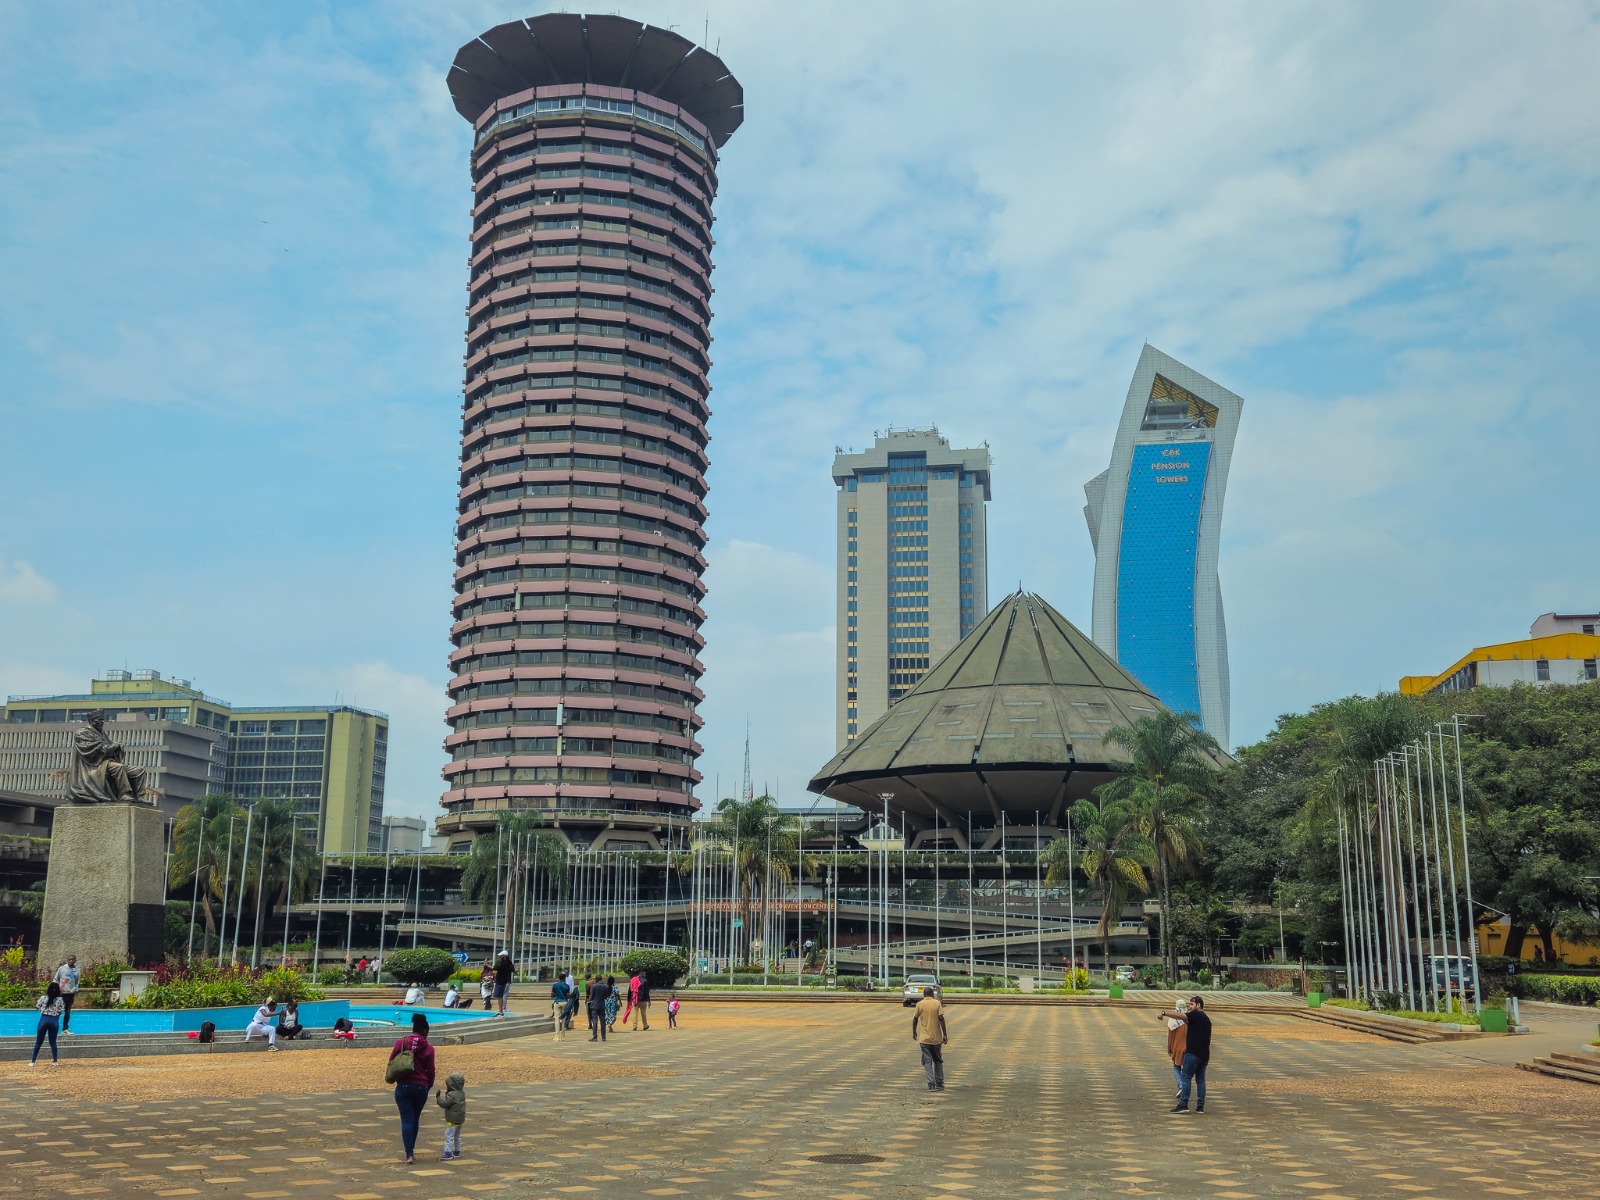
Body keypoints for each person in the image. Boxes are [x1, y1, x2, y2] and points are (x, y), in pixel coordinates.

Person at [389, 1013, 435, 1164]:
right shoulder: (428, 1048)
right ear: (425, 1032)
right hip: (421, 1087)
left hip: (404, 1086)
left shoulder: (401, 1043)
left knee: (406, 1120)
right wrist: (429, 1085)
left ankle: (409, 1154)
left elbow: (391, 1062)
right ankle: (411, 1151)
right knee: (415, 1119)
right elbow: (431, 1070)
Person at [1171, 995, 1212, 1114]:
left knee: (1186, 1078)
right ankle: (1200, 1107)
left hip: (1193, 1053)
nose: (1189, 1007)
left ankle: (1183, 1104)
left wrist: (1164, 1013)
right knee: (1200, 1080)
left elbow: (1182, 1016)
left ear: (1198, 1005)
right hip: (1204, 1055)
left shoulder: (1196, 1014)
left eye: (1192, 1004)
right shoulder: (1206, 1019)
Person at [912, 985, 947, 1091]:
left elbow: (915, 1019)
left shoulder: (919, 1004)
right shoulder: (937, 1003)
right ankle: (939, 1083)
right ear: (932, 994)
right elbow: (941, 1018)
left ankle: (931, 1084)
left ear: (924, 994)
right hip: (936, 1038)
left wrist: (914, 1032)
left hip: (924, 1039)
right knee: (938, 1061)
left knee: (927, 1062)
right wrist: (945, 1034)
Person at [1158, 1000, 1188, 1105]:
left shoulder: (1173, 1021)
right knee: (1185, 1070)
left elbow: (1170, 1037)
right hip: (1189, 1048)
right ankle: (1184, 1086)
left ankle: (1181, 1086)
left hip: (1177, 1047)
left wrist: (1169, 1049)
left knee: (1176, 1067)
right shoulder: (1188, 1018)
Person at [31, 981, 65, 1066]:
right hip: (54, 1021)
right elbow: (61, 1011)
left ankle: (33, 1061)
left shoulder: (43, 998)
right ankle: (55, 1061)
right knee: (53, 1042)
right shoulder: (60, 1000)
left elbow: (37, 1007)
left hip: (44, 1019)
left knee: (39, 1042)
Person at [435, 1071, 467, 1160]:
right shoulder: (461, 1093)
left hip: (452, 1119)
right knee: (457, 1136)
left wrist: (438, 1098)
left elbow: (445, 1104)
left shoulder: (451, 1095)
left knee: (449, 1136)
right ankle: (457, 1151)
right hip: (460, 1119)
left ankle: (448, 1153)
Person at [53, 955, 80, 1034]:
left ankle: (65, 1029)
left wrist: (76, 989)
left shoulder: (77, 970)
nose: (71, 961)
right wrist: (56, 989)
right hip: (62, 994)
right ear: (67, 960)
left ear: (75, 960)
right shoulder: (62, 969)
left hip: (71, 994)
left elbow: (77, 981)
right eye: (69, 959)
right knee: (58, 1011)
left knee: (67, 1012)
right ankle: (54, 1027)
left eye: (72, 959)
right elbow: (56, 979)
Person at [586, 974, 612, 1042]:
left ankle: (595, 1036)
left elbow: (591, 996)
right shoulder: (605, 986)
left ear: (596, 979)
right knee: (602, 1021)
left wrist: (588, 1000)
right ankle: (603, 1036)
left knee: (594, 1021)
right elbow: (607, 996)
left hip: (594, 1005)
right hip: (602, 1004)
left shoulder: (594, 986)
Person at [550, 975, 571, 1041]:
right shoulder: (567, 986)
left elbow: (552, 995)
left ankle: (557, 1036)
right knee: (564, 1019)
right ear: (564, 978)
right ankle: (562, 1036)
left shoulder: (555, 985)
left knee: (557, 1019)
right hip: (564, 1002)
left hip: (557, 1002)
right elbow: (567, 995)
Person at [493, 951, 513, 1015]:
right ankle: (501, 1009)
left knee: (502, 995)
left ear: (504, 956)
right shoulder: (506, 963)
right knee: (501, 996)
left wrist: (487, 965)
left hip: (502, 981)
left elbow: (495, 968)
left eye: (501, 956)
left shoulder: (505, 963)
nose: (499, 957)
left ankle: (502, 1009)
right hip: (502, 981)